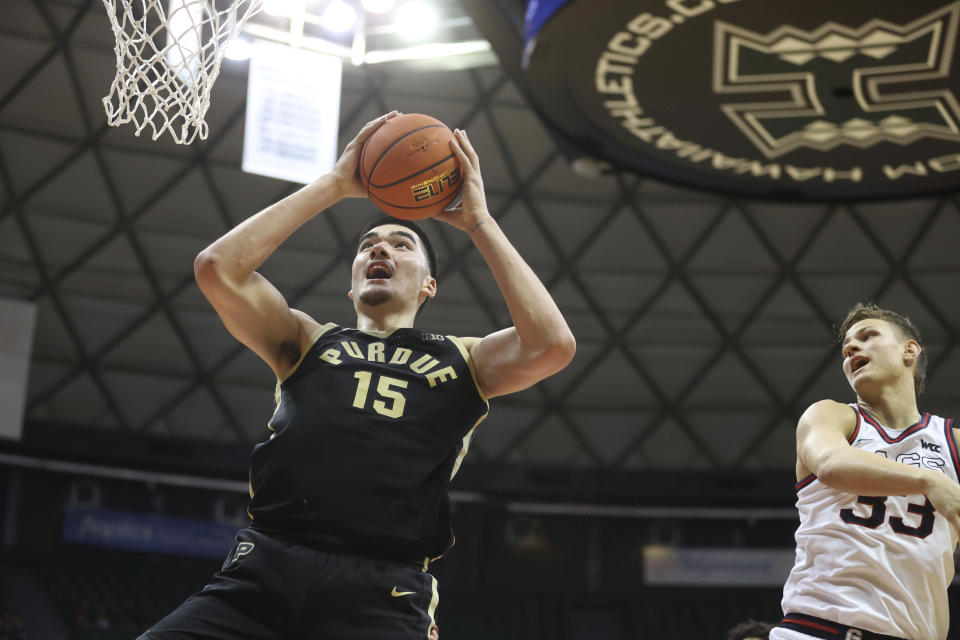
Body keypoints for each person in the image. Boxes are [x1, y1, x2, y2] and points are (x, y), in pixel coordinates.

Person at [137, 111, 575, 640]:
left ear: (428, 286)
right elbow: (216, 268)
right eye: (368, 244)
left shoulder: (466, 359)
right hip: (265, 570)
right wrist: (336, 185)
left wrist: (480, 222)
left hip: (382, 591)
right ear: (351, 286)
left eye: (401, 243)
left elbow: (552, 344)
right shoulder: (307, 339)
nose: (380, 248)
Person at [770, 303, 960, 640]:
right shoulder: (831, 417)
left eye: (868, 336)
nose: (851, 348)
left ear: (909, 350)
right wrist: (929, 479)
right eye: (847, 349)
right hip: (818, 628)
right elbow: (831, 464)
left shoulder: (954, 443)